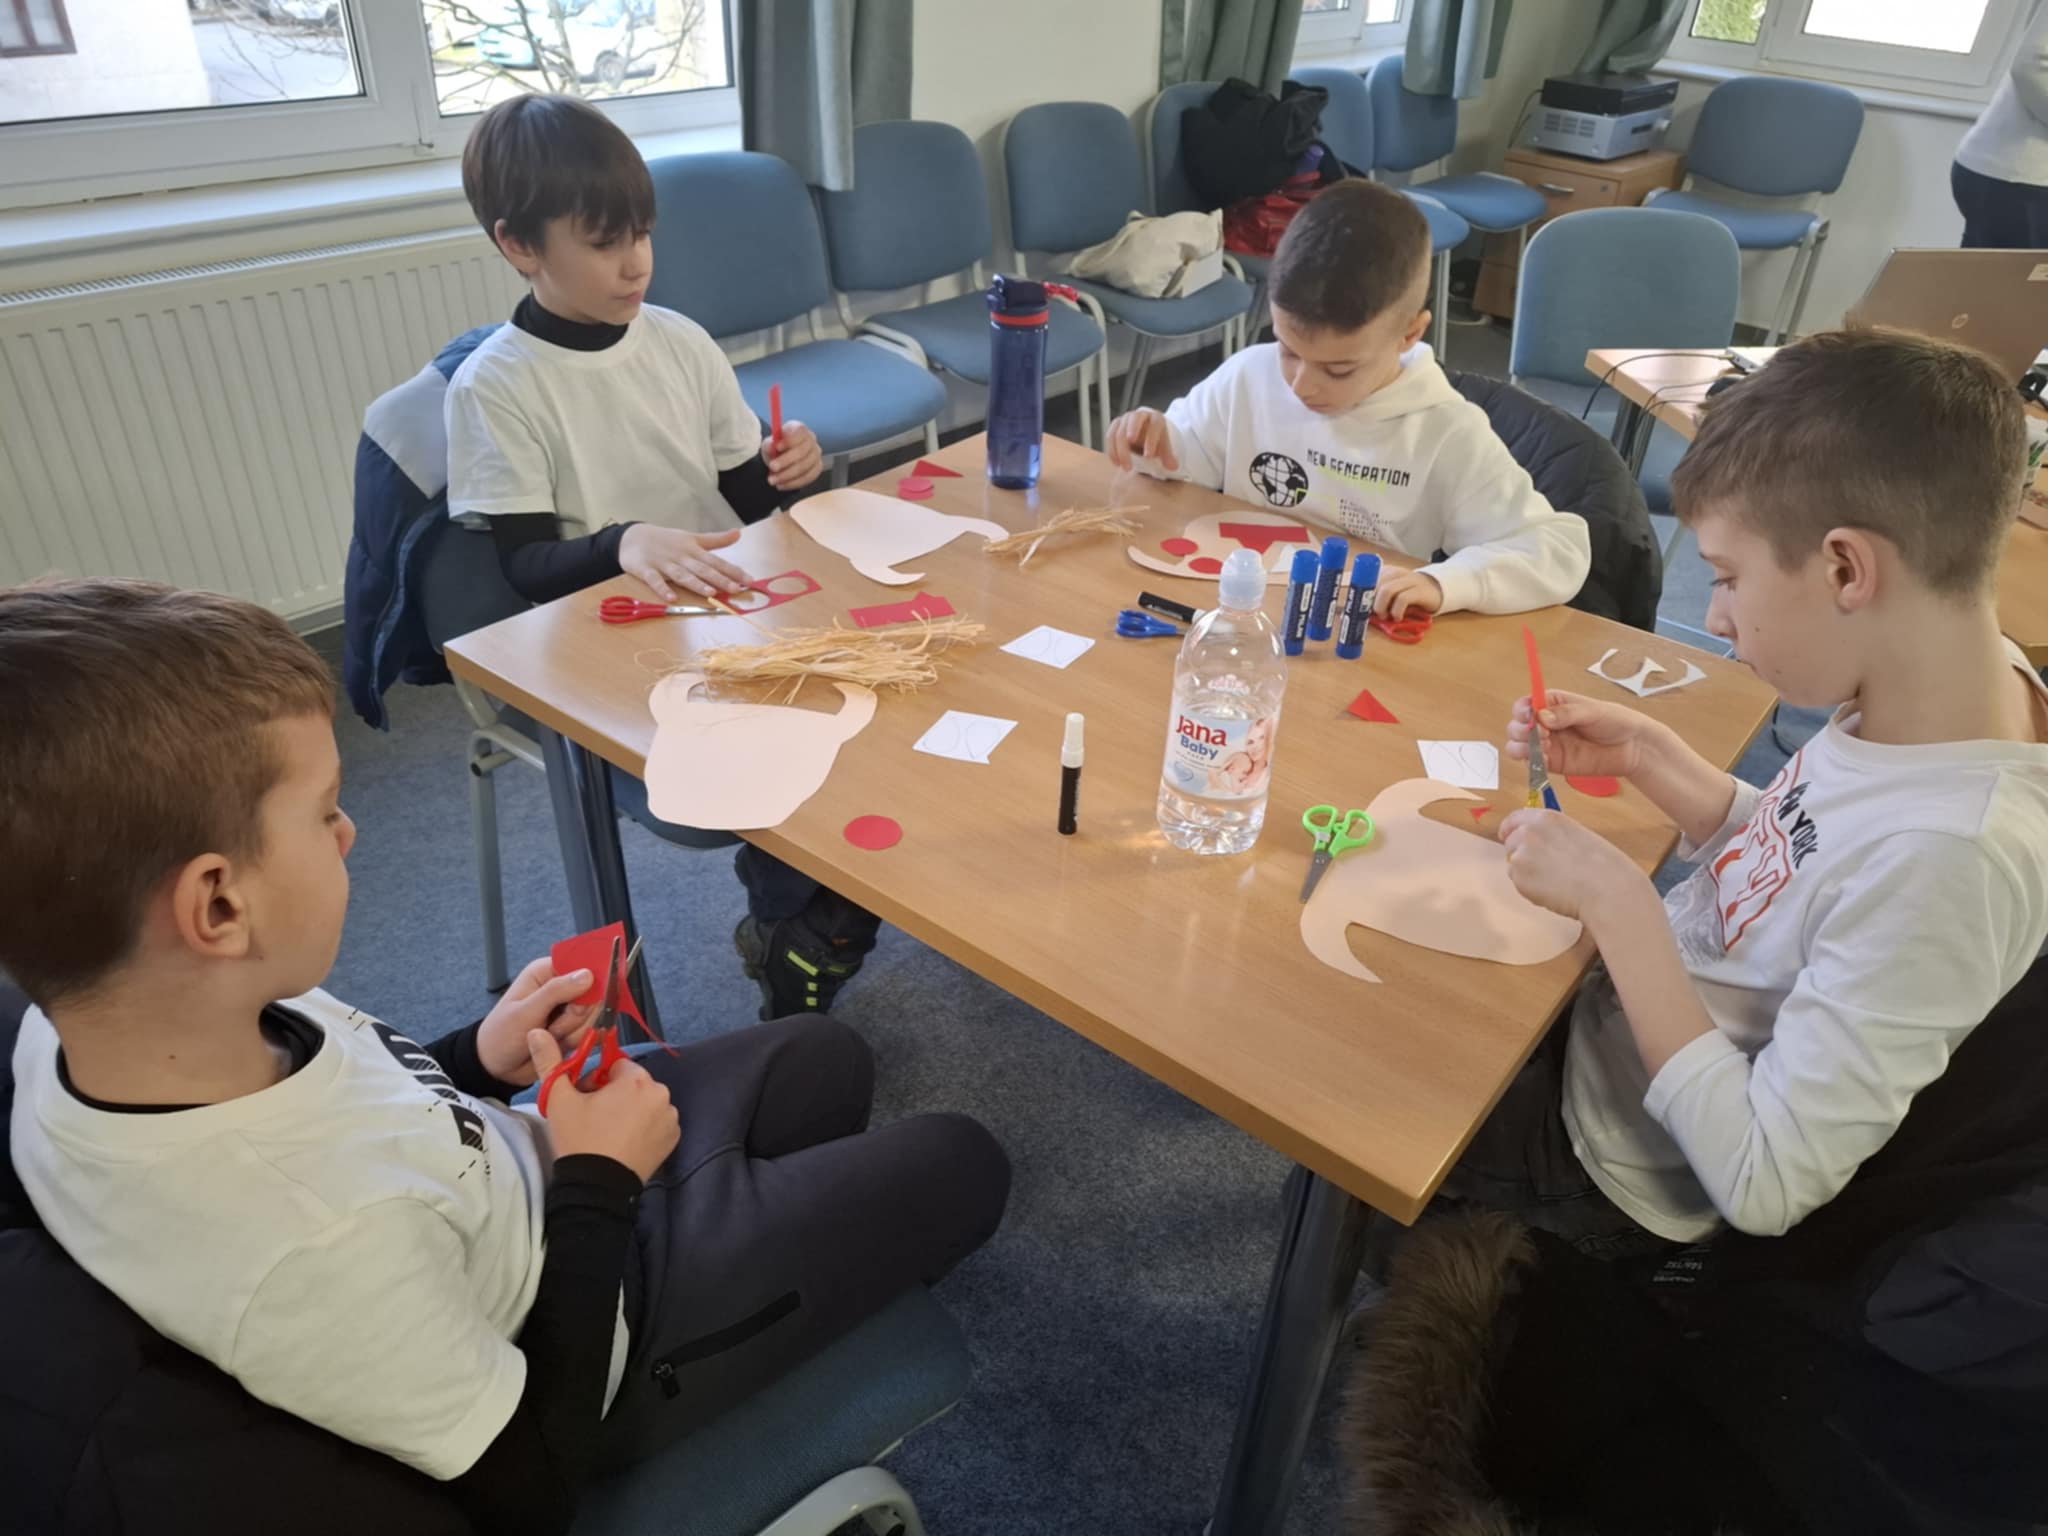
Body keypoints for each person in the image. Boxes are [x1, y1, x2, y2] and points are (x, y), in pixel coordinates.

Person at [0, 579, 1010, 1535]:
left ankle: (777, 1234)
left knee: (827, 1058)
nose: (350, 832)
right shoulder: (314, 1250)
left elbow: (358, 1106)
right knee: (964, 1162)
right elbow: (530, 1486)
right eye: (324, 811)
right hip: (597, 1325)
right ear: (218, 905)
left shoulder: (98, 1020)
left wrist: (476, 1061)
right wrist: (600, 1181)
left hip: (529, 1179)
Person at [1447, 329, 2048, 1259]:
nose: (1716, 615)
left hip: (1610, 1164)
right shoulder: (1947, 682)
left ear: (1846, 569)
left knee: (1368, 1065)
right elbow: (1805, 867)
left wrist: (1618, 905)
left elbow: (1764, 1180)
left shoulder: (1953, 857)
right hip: (1619, 1035)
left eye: (1727, 578)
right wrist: (1659, 762)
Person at [443, 92, 877, 1019]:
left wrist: (789, 466)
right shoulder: (498, 386)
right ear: (519, 245)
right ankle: (794, 926)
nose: (636, 262)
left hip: (723, 611)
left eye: (642, 233)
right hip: (607, 641)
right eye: (604, 242)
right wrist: (625, 542)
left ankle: (807, 916)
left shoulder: (677, 340)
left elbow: (750, 501)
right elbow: (524, 568)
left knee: (862, 706)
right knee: (772, 753)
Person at [1106, 178, 1591, 622]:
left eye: (1338, 369)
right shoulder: (1249, 376)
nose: (1301, 385)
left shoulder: (1445, 432)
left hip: (1353, 634)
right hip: (1246, 614)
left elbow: (1557, 549)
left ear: (1410, 334)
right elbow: (1191, 457)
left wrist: (1444, 583)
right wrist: (1157, 442)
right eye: (1287, 349)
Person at [1952, 7, 2048, 247]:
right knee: (2006, 272)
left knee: (1981, 270)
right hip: (2022, 177)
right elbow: (2031, 66)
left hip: (2011, 173)